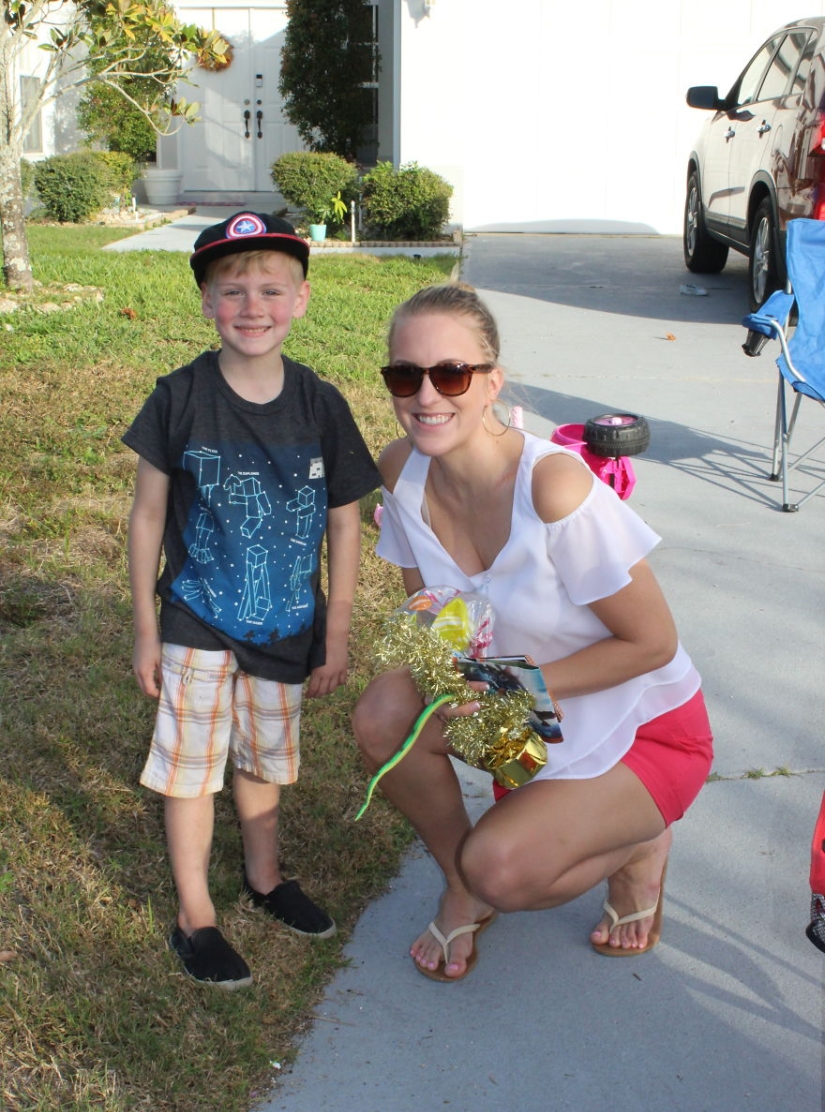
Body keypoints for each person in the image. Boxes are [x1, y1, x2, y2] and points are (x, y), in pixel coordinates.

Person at [352, 283, 713, 982]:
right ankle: (460, 883)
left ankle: (640, 843)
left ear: (491, 382)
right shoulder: (399, 471)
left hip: (640, 729)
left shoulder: (552, 488)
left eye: (450, 373)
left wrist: (505, 684)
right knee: (380, 716)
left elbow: (651, 643)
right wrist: (461, 683)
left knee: (506, 873)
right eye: (405, 375)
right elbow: (430, 610)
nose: (425, 395)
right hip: (525, 718)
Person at [123, 212, 381, 989]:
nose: (252, 306)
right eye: (231, 290)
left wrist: (335, 631)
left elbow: (345, 519)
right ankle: (194, 914)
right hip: (196, 616)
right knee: (191, 768)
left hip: (286, 621)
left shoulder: (320, 403)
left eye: (271, 289)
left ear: (301, 300)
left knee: (265, 757)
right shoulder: (179, 397)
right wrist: (143, 627)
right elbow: (145, 515)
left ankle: (265, 879)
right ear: (205, 302)